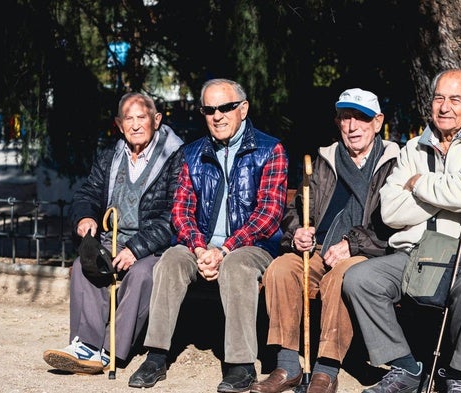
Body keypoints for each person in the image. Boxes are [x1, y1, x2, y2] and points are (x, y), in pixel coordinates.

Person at [341, 68, 461, 393]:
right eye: (439, 98)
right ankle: (406, 367)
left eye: (455, 99)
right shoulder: (413, 149)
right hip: (417, 251)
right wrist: (451, 194)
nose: (445, 107)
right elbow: (391, 210)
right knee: (359, 280)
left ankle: (457, 374)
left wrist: (419, 184)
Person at [128, 78, 289, 392]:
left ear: (243, 108)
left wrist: (225, 249)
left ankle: (240, 365)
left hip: (251, 245)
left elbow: (268, 216)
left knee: (237, 266)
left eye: (226, 107)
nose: (218, 115)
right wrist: (199, 247)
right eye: (210, 109)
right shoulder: (193, 153)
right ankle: (156, 355)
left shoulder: (270, 150)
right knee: (171, 260)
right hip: (201, 244)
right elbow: (180, 211)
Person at [249, 88, 400, 393]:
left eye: (361, 118)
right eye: (346, 118)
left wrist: (351, 244)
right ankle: (288, 364)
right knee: (280, 269)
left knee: (341, 278)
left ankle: (326, 370)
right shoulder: (325, 159)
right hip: (319, 250)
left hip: (367, 254)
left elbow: (392, 225)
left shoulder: (394, 161)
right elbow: (298, 209)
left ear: (377, 122)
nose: (353, 126)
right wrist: (298, 233)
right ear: (337, 121)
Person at [43, 92, 184, 374]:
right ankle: (86, 345)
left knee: (142, 274)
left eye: (141, 117)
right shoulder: (111, 154)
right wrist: (84, 217)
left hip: (153, 245)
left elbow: (174, 215)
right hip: (113, 237)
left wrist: (136, 248)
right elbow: (89, 192)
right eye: (128, 119)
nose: (135, 125)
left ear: (156, 120)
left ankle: (110, 350)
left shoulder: (175, 156)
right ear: (119, 124)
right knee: (85, 265)